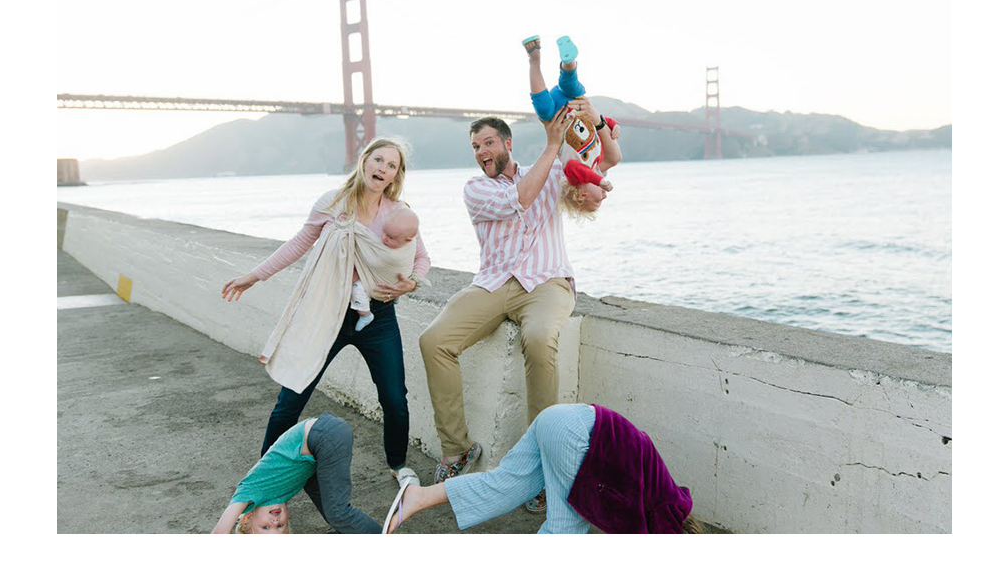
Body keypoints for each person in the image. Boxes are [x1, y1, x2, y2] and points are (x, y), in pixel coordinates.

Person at [221, 138, 430, 483]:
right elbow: (299, 244)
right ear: (364, 161)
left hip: (377, 316)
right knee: (293, 393)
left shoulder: (398, 213)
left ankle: (397, 465)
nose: (382, 168)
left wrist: (413, 283)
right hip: (327, 312)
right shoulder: (332, 203)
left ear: (395, 176)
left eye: (391, 165)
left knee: (394, 396)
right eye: (378, 159)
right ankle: (264, 472)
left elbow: (421, 258)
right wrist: (254, 276)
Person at [418, 106, 576, 514]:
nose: (481, 152)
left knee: (540, 339)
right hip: (493, 282)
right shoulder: (476, 188)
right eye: (475, 146)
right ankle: (457, 450)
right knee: (434, 340)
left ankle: (542, 464)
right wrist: (553, 145)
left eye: (488, 143)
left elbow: (596, 170)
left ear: (508, 143)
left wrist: (580, 139)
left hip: (546, 281)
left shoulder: (550, 170)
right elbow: (519, 199)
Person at [382, 403, 703, 535]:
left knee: (507, 483)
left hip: (564, 417)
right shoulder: (667, 519)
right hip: (578, 433)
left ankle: (417, 497)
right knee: (566, 526)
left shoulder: (668, 499)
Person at [212, 412, 381, 534]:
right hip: (316, 450)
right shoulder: (275, 496)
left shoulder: (247, 493)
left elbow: (219, 533)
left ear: (247, 518)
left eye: (265, 527)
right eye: (280, 527)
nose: (275, 522)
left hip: (323, 435)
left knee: (338, 514)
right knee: (334, 518)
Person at [523, 35, 623, 215]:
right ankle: (568, 61)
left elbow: (578, 170)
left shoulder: (572, 175)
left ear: (583, 195)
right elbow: (594, 128)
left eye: (597, 203)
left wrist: (599, 182)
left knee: (543, 108)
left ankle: (534, 60)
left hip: (555, 115)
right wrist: (611, 124)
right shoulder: (597, 162)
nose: (604, 197)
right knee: (572, 86)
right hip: (573, 104)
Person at [350, 207, 420, 331]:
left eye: (391, 238)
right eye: (384, 232)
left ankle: (365, 314)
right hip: (387, 283)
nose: (384, 238)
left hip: (381, 288)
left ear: (408, 240)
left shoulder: (402, 246)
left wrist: (412, 283)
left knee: (357, 288)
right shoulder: (398, 225)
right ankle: (394, 298)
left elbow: (422, 257)